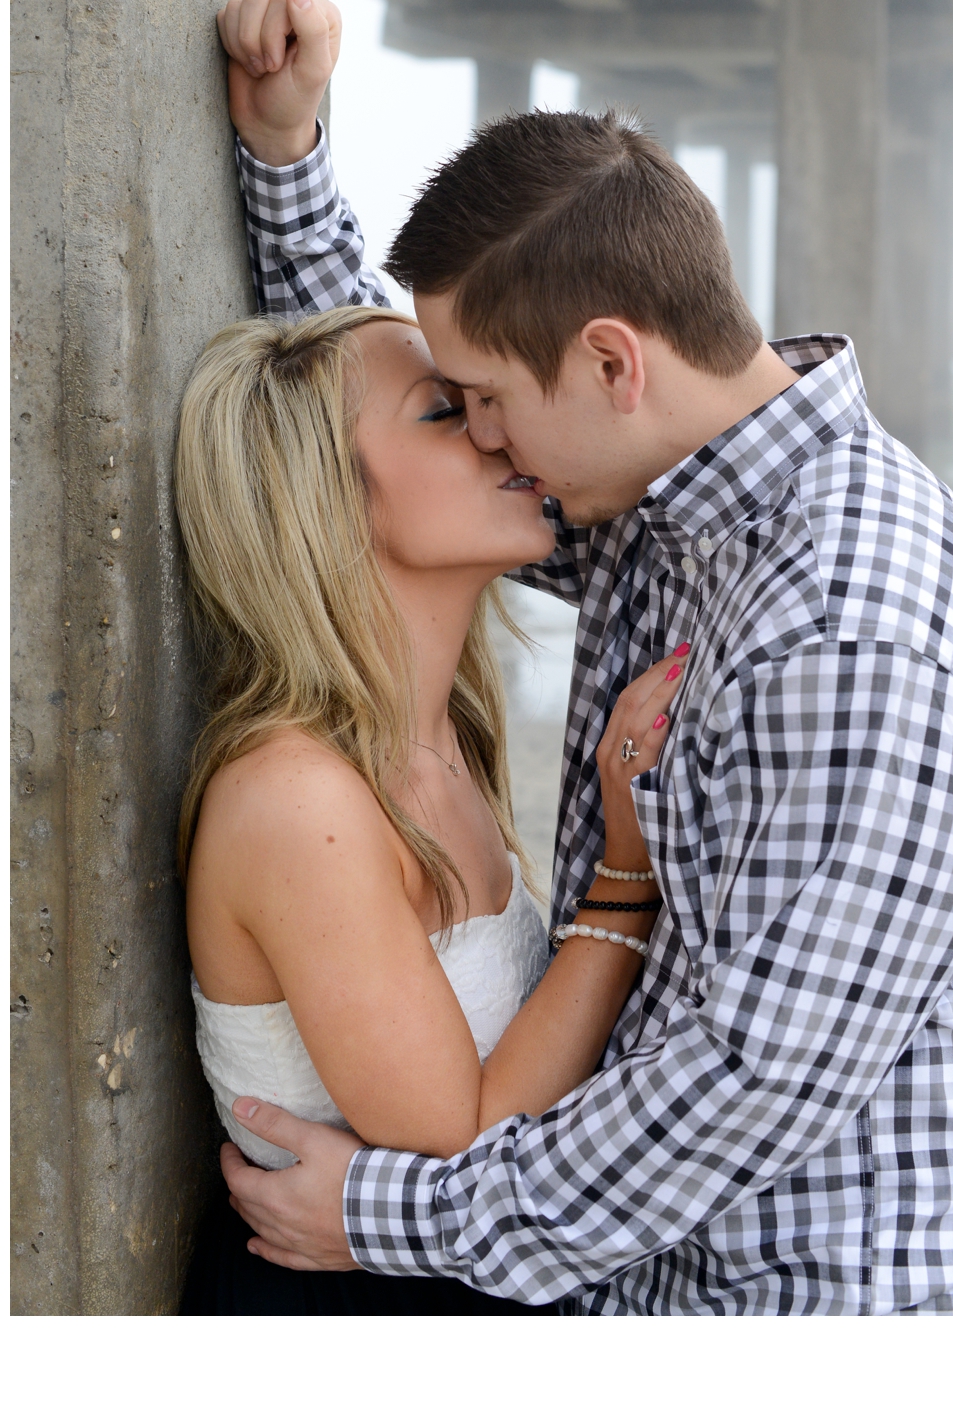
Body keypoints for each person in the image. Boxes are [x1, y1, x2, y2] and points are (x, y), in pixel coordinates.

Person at [205, 0, 953, 1313]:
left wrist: (385, 1209)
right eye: (456, 407)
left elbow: (755, 1081)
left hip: (812, 1303)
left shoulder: (857, 631)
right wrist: (289, 161)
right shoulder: (660, 497)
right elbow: (350, 439)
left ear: (609, 363)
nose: (478, 439)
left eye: (485, 406)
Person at [176, 303, 686, 1314]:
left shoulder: (440, 731)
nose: (499, 429)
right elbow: (460, 1133)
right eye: (445, 413)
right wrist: (624, 876)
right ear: (327, 499)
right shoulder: (297, 799)